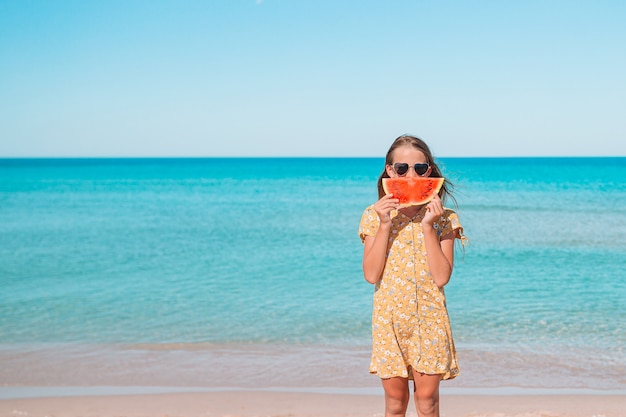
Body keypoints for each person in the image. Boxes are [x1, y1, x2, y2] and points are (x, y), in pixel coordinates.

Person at [358, 134, 466, 417]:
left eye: (420, 168)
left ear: (428, 170)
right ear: (389, 170)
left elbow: (442, 277)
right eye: (402, 168)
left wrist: (429, 227)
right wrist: (384, 224)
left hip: (430, 319)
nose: (411, 175)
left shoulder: (445, 218)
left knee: (427, 402)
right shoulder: (373, 215)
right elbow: (371, 274)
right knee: (395, 404)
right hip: (389, 318)